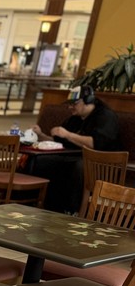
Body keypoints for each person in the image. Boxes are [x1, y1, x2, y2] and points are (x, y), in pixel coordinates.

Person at [30, 84, 123, 213]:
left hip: (104, 163)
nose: (70, 107)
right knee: (42, 161)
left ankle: (72, 211)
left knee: (79, 166)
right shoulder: (75, 119)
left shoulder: (106, 117)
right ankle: (40, 206)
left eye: (74, 104)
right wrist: (41, 135)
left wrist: (68, 134)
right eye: (69, 104)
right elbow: (59, 142)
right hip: (75, 156)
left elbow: (95, 143)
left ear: (88, 101)